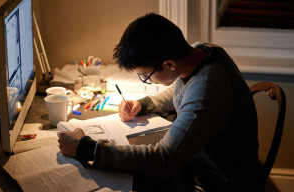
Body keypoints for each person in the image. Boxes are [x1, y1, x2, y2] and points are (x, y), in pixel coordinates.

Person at [58, 13, 260, 192]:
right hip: (198, 163)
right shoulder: (201, 51)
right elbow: (182, 88)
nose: (147, 81)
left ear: (169, 64)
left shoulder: (206, 92)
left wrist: (86, 148)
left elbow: (163, 159)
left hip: (218, 182)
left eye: (146, 76)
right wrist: (144, 103)